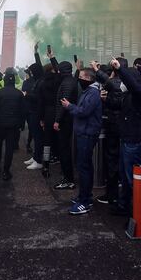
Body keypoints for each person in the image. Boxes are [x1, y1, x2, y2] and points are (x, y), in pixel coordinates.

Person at [109, 58, 141, 216]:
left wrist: (120, 69)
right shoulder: (128, 96)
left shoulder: (140, 96)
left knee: (133, 180)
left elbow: (134, 86)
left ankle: (137, 214)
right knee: (125, 178)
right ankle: (124, 206)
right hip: (127, 141)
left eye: (123, 80)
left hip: (135, 143)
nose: (121, 83)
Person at [62, 68, 102, 214]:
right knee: (84, 166)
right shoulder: (88, 91)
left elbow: (83, 111)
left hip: (87, 133)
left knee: (84, 167)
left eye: (81, 77)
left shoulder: (93, 93)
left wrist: (69, 106)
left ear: (89, 78)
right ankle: (84, 196)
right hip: (83, 132)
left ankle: (85, 201)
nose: (79, 79)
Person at [93, 60, 125, 206]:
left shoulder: (117, 83)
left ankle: (112, 195)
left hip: (115, 125)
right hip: (120, 126)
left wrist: (106, 100)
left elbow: (117, 99)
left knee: (112, 159)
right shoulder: (125, 82)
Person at [0, 70, 26, 180]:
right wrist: (22, 124)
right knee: (9, 148)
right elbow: (22, 111)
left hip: (0, 124)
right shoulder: (19, 94)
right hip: (14, 125)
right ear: (14, 82)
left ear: (4, 81)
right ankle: (6, 171)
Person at [53, 60, 78, 190]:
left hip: (65, 121)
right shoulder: (72, 80)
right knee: (65, 149)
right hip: (68, 119)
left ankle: (68, 179)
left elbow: (64, 103)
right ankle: (68, 177)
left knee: (64, 150)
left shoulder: (67, 83)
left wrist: (57, 120)